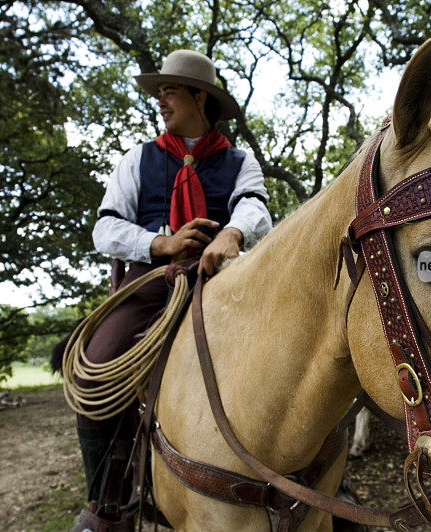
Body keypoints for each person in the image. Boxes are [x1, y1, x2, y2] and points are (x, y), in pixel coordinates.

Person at [72, 49, 272, 531]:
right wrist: (161, 242)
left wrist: (231, 234)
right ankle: (108, 502)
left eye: (170, 91)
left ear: (199, 96)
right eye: (159, 92)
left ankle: (322, 474)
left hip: (222, 282)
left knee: (293, 344)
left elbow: (256, 209)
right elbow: (104, 229)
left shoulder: (240, 161)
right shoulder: (137, 159)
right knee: (95, 368)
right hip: (151, 285)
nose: (161, 101)